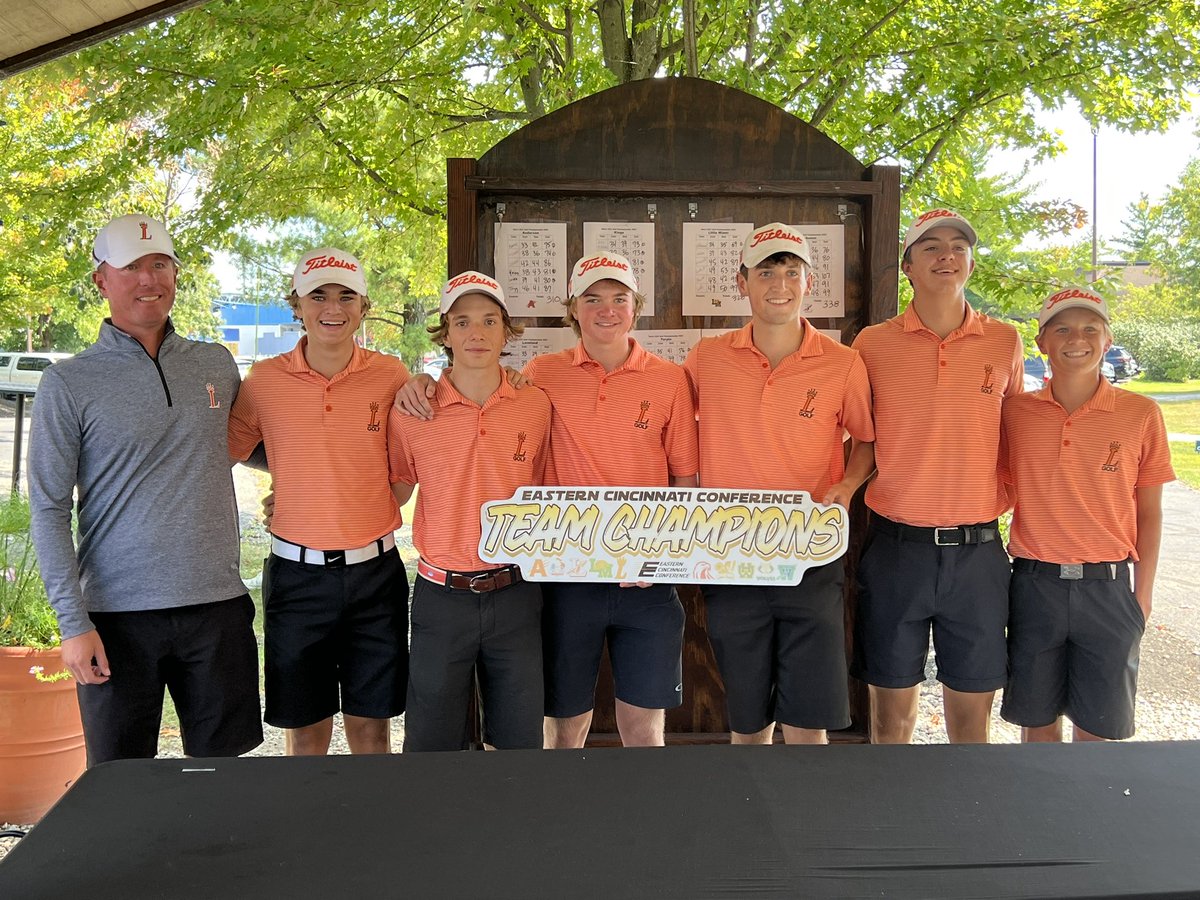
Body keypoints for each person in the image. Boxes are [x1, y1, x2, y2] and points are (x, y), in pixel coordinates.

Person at [396, 252, 699, 749]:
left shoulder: (669, 379)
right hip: (564, 578)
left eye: (619, 298)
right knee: (562, 724)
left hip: (645, 577)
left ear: (636, 306)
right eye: (592, 299)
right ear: (573, 309)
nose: (606, 310)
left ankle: (648, 821)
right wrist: (419, 379)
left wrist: (668, 558)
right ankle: (558, 817)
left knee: (644, 727)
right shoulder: (542, 376)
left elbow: (684, 479)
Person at [28, 214, 262, 766]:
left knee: (221, 776)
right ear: (101, 281)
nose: (148, 279)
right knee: (119, 781)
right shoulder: (69, 382)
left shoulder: (215, 363)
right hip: (116, 618)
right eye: (131, 267)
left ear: (176, 276)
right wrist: (72, 623)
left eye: (160, 264)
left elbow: (258, 448)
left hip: (217, 606)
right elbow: (48, 507)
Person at [683, 222, 876, 745]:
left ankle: (804, 821)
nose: (779, 284)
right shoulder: (706, 357)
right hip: (728, 548)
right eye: (766, 271)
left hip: (808, 551)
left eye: (791, 271)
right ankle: (752, 817)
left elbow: (866, 440)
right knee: (747, 719)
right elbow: (665, 416)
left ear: (808, 282)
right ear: (742, 282)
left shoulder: (843, 362)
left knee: (808, 721)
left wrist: (849, 484)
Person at [227, 247, 409, 756]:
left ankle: (367, 832)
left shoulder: (392, 375)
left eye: (346, 295)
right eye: (319, 296)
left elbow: (407, 465)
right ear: (297, 305)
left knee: (371, 727)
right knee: (305, 729)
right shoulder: (263, 381)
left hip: (376, 574)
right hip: (296, 577)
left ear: (364, 305)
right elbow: (223, 452)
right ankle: (310, 834)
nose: (333, 307)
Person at [850, 208, 1023, 744]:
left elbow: (1018, 433)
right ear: (907, 266)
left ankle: (965, 821)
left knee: (972, 719)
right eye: (930, 247)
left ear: (970, 262)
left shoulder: (1005, 342)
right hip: (897, 549)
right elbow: (860, 438)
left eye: (958, 246)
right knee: (889, 716)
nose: (946, 255)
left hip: (978, 554)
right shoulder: (872, 344)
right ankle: (891, 818)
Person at [999, 287, 1174, 742]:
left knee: (1100, 728)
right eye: (1062, 328)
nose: (1077, 338)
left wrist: (1144, 594)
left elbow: (1150, 512)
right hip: (1035, 583)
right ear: (1041, 343)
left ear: (1108, 339)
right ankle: (1044, 812)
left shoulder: (1141, 414)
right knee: (1037, 723)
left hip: (1109, 587)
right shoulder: (1015, 413)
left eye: (1090, 328)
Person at [390, 271, 552, 752]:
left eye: (488, 321)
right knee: (432, 741)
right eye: (461, 322)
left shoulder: (536, 404)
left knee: (519, 739)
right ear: (445, 333)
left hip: (517, 591)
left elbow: (548, 492)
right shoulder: (413, 409)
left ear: (507, 331)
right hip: (443, 595)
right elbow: (394, 490)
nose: (476, 333)